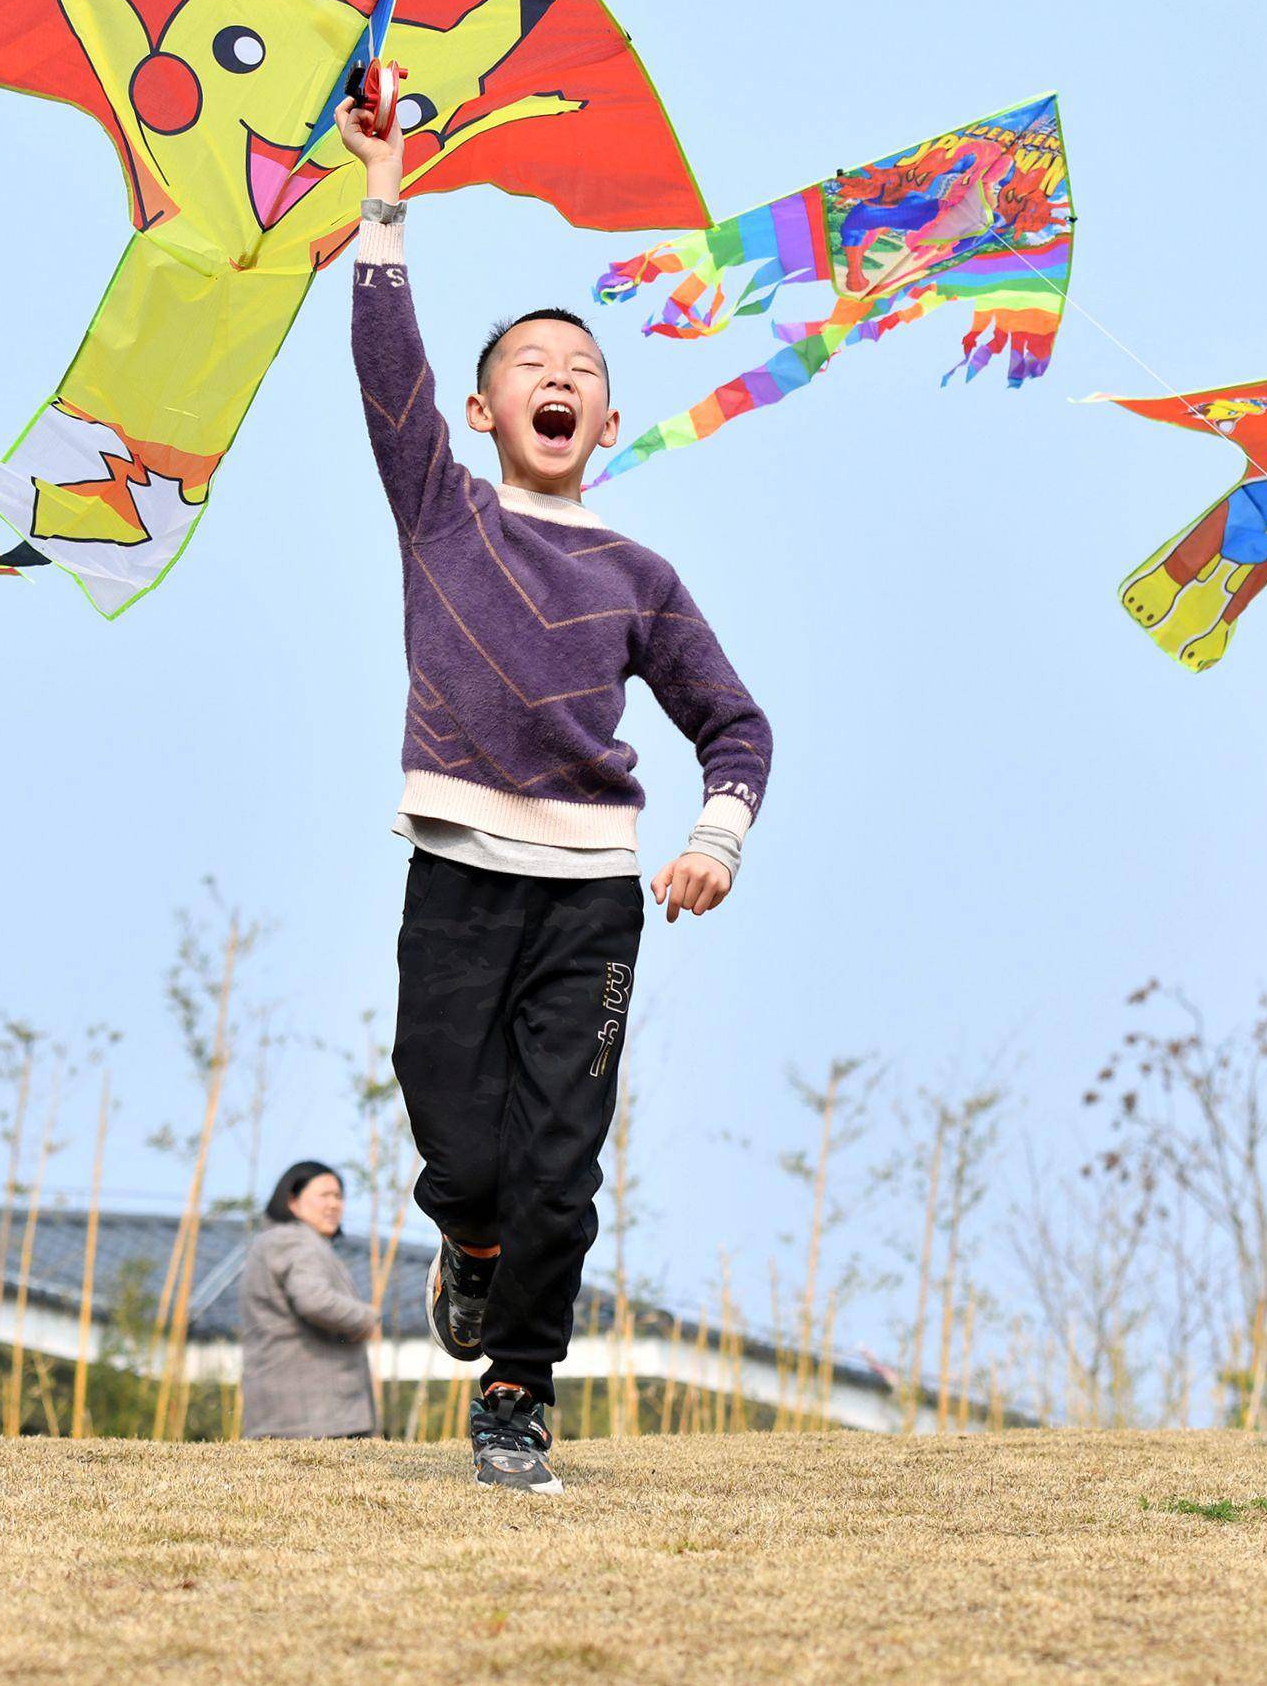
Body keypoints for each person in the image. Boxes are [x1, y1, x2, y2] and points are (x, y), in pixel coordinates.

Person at [338, 99, 774, 1495]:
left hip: (590, 896)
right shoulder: (442, 511)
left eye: (579, 366)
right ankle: (467, 1251)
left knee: (559, 1165)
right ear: (484, 410)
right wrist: (385, 194)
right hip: (459, 875)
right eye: (530, 361)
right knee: (458, 1140)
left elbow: (735, 724)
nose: (557, 374)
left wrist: (717, 836)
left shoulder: (638, 573)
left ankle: (519, 1393)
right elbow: (387, 373)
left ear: (606, 416)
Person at [238, 1161, 381, 1441]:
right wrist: (367, 1317)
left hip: (287, 1412)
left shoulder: (271, 1241)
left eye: (338, 1196)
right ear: (292, 1201)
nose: (334, 1205)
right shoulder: (295, 1241)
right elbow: (314, 1300)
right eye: (324, 1195)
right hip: (314, 1416)